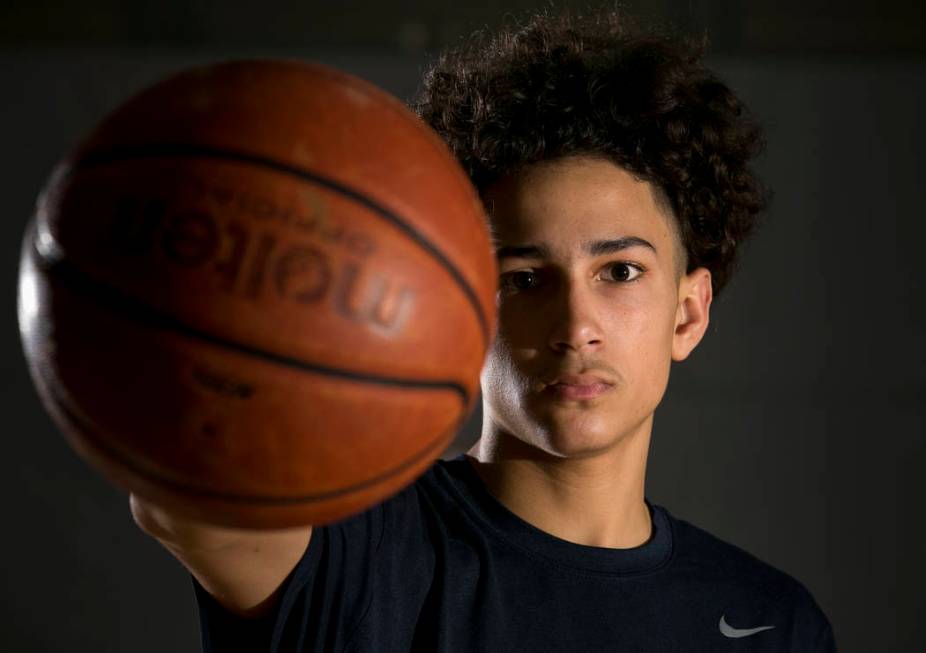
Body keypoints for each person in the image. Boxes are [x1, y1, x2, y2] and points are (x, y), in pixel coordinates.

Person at [131, 8, 836, 652]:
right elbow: (182, 493)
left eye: (619, 272)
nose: (575, 325)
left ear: (688, 313)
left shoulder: (771, 618)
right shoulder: (361, 546)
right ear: (459, 304)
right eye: (523, 278)